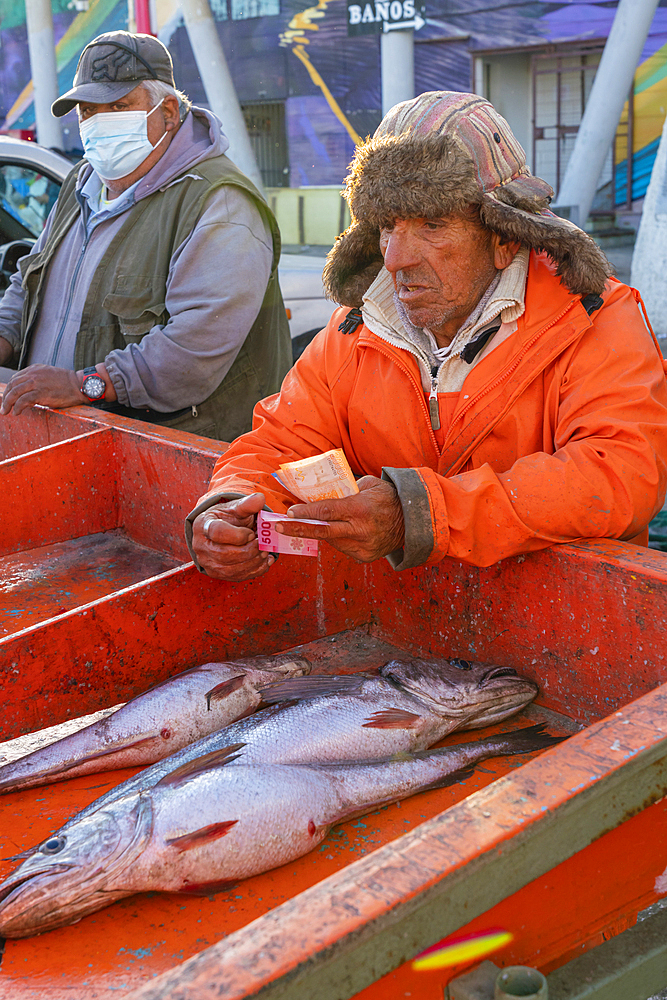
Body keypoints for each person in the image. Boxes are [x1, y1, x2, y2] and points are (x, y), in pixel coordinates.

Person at [186, 90, 667, 578]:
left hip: (571, 627)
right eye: (388, 226)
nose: (396, 258)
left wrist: (418, 513)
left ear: (505, 236)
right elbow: (281, 441)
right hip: (406, 624)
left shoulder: (594, 317)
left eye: (432, 224)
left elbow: (620, 473)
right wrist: (230, 505)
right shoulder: (355, 326)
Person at [0, 31, 291, 441]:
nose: (99, 123)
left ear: (168, 111)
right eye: (87, 110)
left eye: (119, 106)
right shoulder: (82, 182)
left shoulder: (218, 203)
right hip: (68, 441)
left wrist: (80, 385)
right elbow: (28, 281)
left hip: (167, 461)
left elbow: (192, 352)